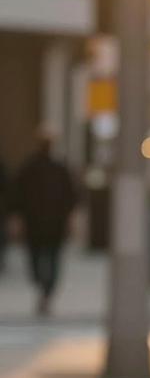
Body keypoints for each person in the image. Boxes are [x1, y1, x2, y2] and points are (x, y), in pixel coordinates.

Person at [9, 126, 79, 316]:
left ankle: (46, 292)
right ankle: (44, 288)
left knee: (51, 259)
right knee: (37, 259)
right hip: (36, 223)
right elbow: (17, 196)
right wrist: (17, 218)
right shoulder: (30, 168)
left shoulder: (59, 168)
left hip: (53, 223)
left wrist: (71, 219)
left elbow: (71, 197)